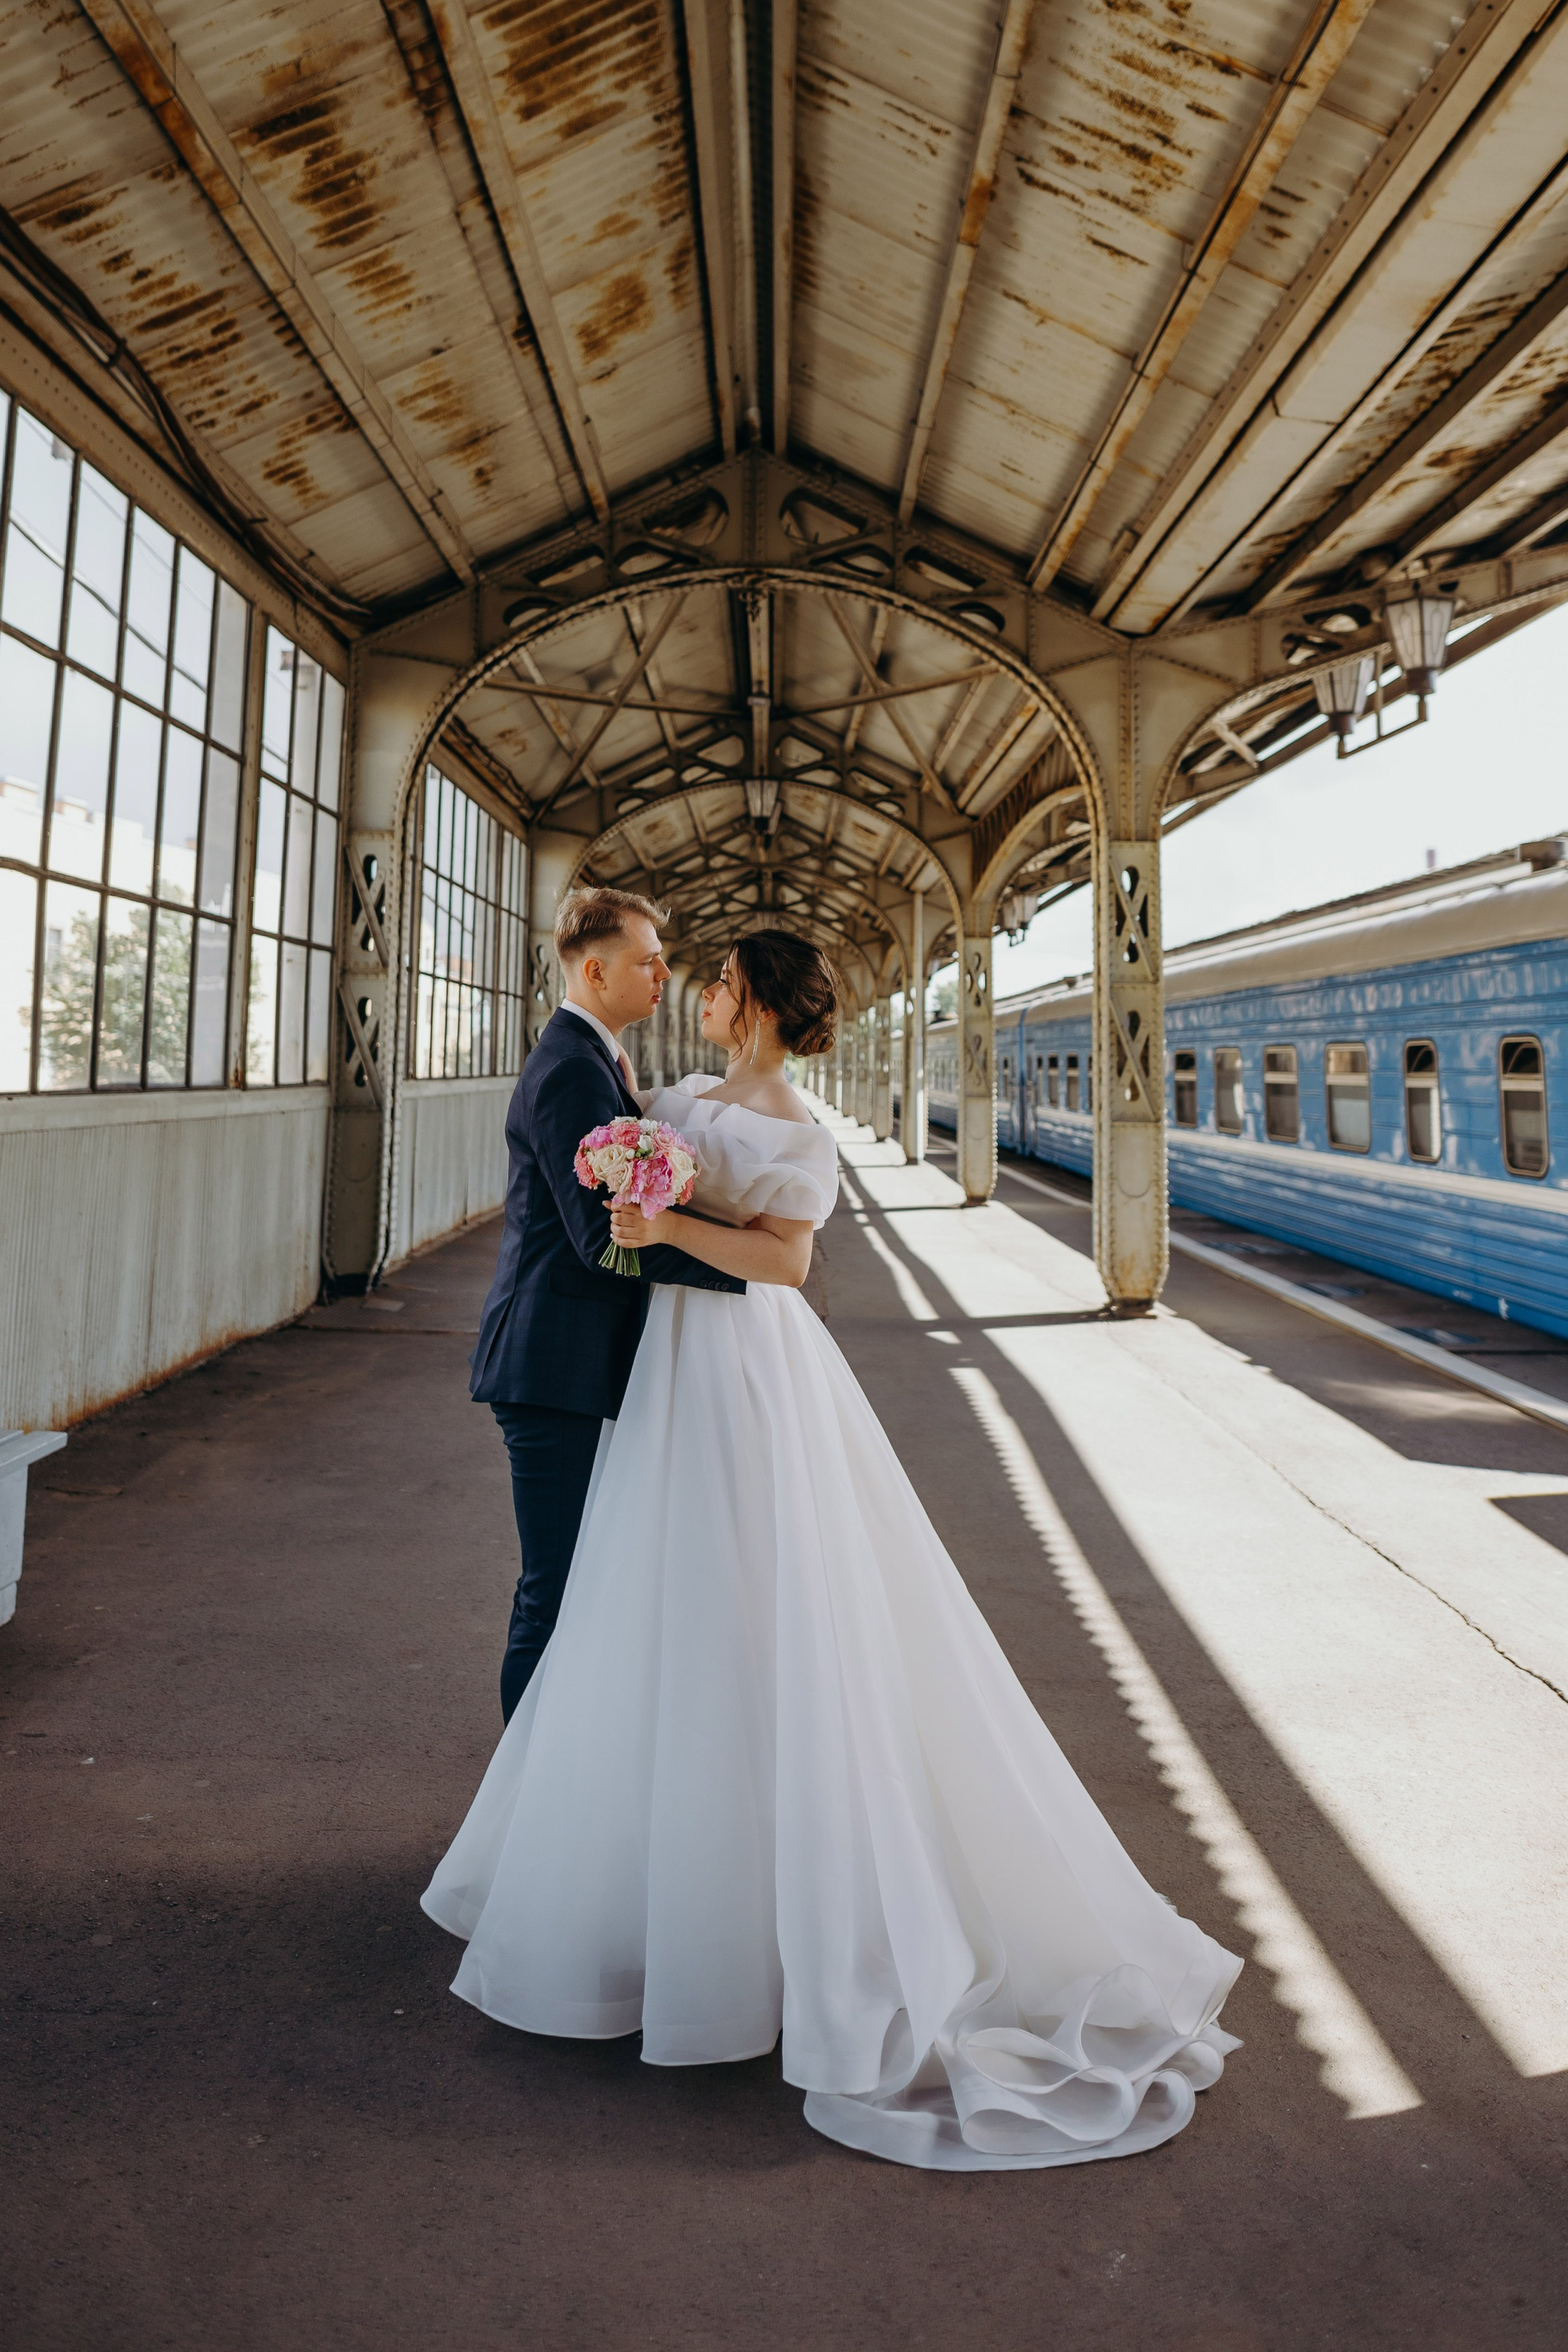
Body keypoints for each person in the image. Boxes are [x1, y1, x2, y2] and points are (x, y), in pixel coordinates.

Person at [426, 930, 1241, 2171]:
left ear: (752, 1002)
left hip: (745, 1369)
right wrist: (650, 1215)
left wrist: (666, 1221)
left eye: (716, 982)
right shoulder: (676, 1102)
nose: (698, 993)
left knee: (761, 1604)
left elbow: (786, 1263)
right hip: (667, 1369)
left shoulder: (798, 1132)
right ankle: (666, 1897)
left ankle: (758, 1925)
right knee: (653, 1607)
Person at [467, 886, 744, 1722]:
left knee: (579, 1582)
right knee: (554, 1590)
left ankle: (549, 1769)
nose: (664, 974)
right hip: (553, 1365)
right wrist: (748, 1272)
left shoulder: (595, 1061)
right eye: (647, 960)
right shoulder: (569, 1071)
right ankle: (520, 1787)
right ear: (594, 971)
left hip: (574, 1361)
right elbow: (604, 1238)